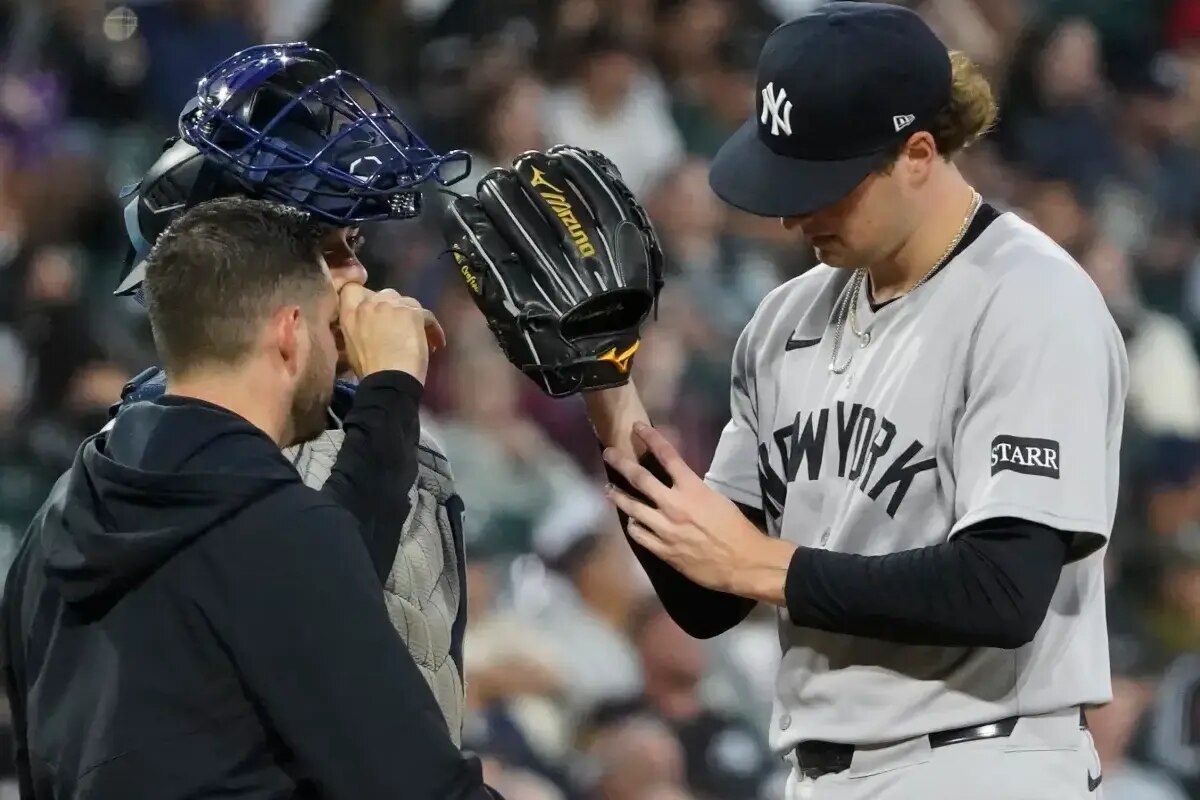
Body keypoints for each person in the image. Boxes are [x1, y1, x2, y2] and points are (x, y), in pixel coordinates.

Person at [469, 3, 1127, 799]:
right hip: (818, 769)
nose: (790, 212)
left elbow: (1001, 589)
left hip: (983, 759)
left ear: (919, 154)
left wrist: (762, 565)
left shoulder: (1031, 301)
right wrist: (609, 390)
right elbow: (707, 595)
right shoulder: (786, 319)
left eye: (825, 184)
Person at [0, 197, 499, 799]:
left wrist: (388, 396)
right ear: (291, 334)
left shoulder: (52, 522)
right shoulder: (279, 530)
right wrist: (391, 384)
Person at [110, 42, 474, 741]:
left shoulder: (405, 444)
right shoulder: (142, 463)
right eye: (332, 253)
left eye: (355, 246)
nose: (360, 280)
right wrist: (391, 395)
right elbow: (311, 619)